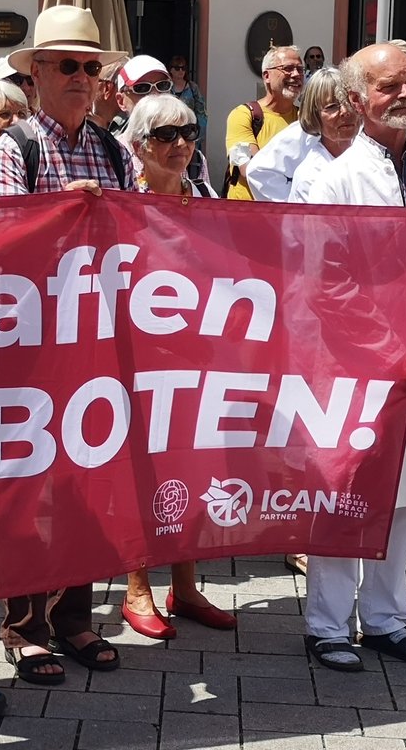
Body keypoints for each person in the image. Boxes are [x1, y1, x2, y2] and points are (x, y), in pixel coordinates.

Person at [293, 44, 406, 672]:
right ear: (355, 98)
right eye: (388, 86)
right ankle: (325, 623)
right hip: (355, 361)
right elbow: (323, 283)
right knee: (347, 489)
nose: (404, 95)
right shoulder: (334, 177)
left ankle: (387, 616)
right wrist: (387, 354)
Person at [0, 4, 130, 684]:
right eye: (66, 64)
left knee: (86, 486)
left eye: (90, 66)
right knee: (27, 486)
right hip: (28, 345)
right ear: (35, 73)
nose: (80, 76)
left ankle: (73, 618)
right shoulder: (14, 148)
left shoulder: (112, 148)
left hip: (93, 341)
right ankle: (23, 626)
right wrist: (59, 212)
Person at [114, 94, 235, 639]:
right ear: (139, 145)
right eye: (166, 135)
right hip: (138, 355)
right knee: (140, 469)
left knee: (194, 464)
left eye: (188, 133)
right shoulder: (120, 202)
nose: (182, 144)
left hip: (197, 352)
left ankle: (184, 587)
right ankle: (135, 586)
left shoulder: (206, 196)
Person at [245, 66, 358, 203]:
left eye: (350, 102)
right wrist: (287, 207)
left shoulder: (374, 155)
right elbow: (258, 172)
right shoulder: (310, 177)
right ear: (314, 115)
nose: (346, 111)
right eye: (331, 107)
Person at [224, 45, 303, 199]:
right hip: (246, 215)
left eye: (300, 69)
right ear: (267, 75)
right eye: (288, 68)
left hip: (288, 217)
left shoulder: (305, 120)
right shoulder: (243, 115)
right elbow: (251, 170)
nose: (296, 74)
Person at [111, 55, 206, 183]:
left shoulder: (194, 159)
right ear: (121, 101)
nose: (155, 94)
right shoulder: (109, 154)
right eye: (142, 88)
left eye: (163, 86)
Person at [167, 53, 207, 121]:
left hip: (189, 127)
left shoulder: (193, 87)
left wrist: (201, 129)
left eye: (183, 68)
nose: (181, 71)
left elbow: (201, 111)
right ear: (171, 70)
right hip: (170, 126)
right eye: (177, 68)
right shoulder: (165, 87)